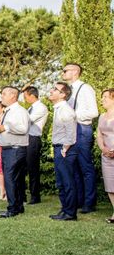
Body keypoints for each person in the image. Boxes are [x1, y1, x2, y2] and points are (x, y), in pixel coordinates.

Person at [61, 63, 99, 213]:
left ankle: (89, 203)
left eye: (65, 70)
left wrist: (74, 116)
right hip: (72, 130)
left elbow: (94, 112)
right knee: (74, 167)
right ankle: (78, 201)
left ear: (75, 72)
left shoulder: (85, 88)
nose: (63, 73)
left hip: (82, 129)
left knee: (85, 167)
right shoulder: (69, 91)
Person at [0, 86, 30, 218]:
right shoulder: (8, 111)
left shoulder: (19, 111)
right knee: (16, 180)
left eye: (3, 94)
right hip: (10, 148)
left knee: (10, 179)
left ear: (13, 96)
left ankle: (12, 208)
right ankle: (18, 207)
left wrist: (5, 127)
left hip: (15, 149)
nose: (1, 96)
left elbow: (23, 128)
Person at [48, 82, 78, 221]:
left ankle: (70, 213)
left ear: (63, 94)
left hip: (65, 149)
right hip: (60, 148)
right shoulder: (58, 109)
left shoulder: (65, 110)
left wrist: (64, 148)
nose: (51, 91)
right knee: (61, 182)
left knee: (67, 182)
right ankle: (64, 209)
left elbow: (71, 135)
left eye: (55, 89)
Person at [23, 86, 49, 205]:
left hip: (33, 139)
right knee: (23, 167)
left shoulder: (41, 108)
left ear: (32, 95)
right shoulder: (30, 108)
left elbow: (27, 121)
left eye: (25, 96)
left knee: (32, 168)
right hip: (25, 138)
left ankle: (35, 196)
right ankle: (23, 194)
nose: (25, 99)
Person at [96, 89, 114, 223]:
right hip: (106, 155)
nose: (102, 100)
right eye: (102, 97)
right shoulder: (101, 116)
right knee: (110, 185)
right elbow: (99, 135)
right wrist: (103, 148)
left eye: (106, 97)